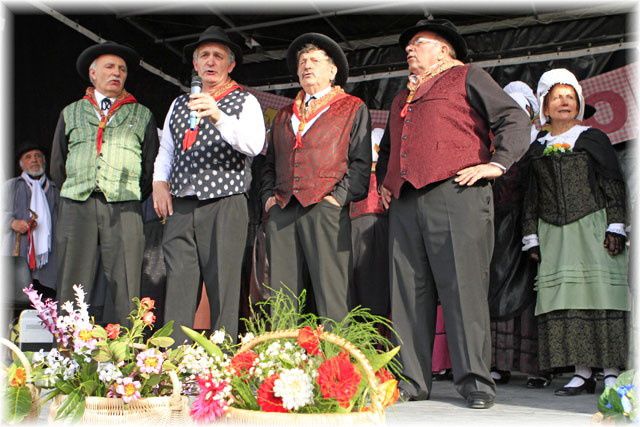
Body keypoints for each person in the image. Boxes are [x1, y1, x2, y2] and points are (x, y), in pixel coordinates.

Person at [376, 19, 530, 409]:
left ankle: (476, 382)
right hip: (407, 201)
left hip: (456, 193)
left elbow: (514, 119)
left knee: (463, 288)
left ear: (444, 50)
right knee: (408, 292)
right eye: (407, 46)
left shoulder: (467, 76)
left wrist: (497, 164)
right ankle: (411, 379)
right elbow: (389, 148)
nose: (410, 50)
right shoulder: (401, 97)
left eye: (419, 43)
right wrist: (385, 183)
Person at [152, 26, 265, 343]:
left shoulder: (245, 101)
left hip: (224, 201)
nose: (210, 62)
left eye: (218, 56)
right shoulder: (178, 103)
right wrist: (159, 182)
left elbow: (254, 145)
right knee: (179, 282)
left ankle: (222, 362)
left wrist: (218, 115)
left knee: (223, 284)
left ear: (230, 65)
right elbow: (167, 150)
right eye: (204, 56)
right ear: (195, 64)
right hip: (182, 202)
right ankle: (172, 363)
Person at [522, 68, 629, 396]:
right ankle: (582, 372)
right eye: (557, 97)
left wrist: (616, 224)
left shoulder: (593, 138)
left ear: (579, 103)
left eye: (570, 97)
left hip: (592, 226)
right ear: (545, 106)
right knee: (567, 301)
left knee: (601, 297)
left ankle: (611, 371)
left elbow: (612, 181)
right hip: (554, 232)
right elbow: (531, 195)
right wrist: (531, 234)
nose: (564, 102)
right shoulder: (538, 147)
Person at [261, 33, 371, 321]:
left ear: (332, 70)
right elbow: (268, 162)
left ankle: (335, 362)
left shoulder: (352, 107)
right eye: (302, 61)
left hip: (326, 207)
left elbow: (361, 161)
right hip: (284, 208)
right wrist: (267, 199)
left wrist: (339, 198)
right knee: (282, 297)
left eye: (315, 61)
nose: (307, 66)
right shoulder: (284, 114)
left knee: (332, 293)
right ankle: (283, 360)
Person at [51, 41, 159, 325]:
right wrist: (79, 189)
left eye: (122, 69)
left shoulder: (142, 114)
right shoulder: (70, 112)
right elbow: (58, 164)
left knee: (126, 283)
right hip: (77, 205)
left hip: (124, 207)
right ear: (93, 73)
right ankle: (69, 354)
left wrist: (129, 194)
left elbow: (150, 166)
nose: (117, 73)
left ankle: (123, 355)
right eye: (110, 67)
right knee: (72, 281)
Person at [488, 81, 548, 388]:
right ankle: (498, 363)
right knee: (497, 292)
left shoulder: (540, 145)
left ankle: (536, 366)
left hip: (531, 228)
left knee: (532, 293)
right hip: (498, 230)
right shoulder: (492, 149)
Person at [4, 143, 59, 300]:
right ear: (21, 164)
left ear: (44, 161)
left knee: (47, 308)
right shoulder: (11, 187)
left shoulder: (55, 190)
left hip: (49, 263)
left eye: (38, 156)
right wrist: (11, 222)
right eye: (28, 157)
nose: (34, 160)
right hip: (18, 256)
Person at [349, 127, 389, 318]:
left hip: (363, 224)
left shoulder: (359, 171)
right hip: (374, 225)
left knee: (359, 287)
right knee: (376, 287)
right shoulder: (384, 172)